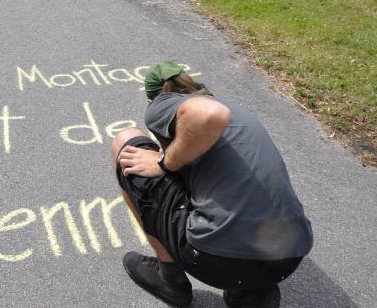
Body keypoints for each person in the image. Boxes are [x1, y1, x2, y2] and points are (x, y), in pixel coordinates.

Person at [111, 60, 313, 307]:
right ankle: (253, 294)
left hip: (220, 262)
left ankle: (169, 279)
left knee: (126, 140)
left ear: (153, 98)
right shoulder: (236, 110)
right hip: (289, 258)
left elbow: (209, 116)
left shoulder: (163, 104)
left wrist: (163, 163)